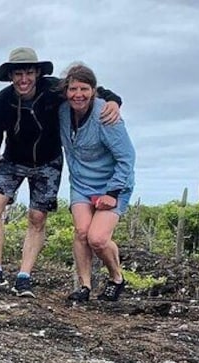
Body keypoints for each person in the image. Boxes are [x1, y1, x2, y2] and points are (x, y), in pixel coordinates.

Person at [0, 47, 122, 298]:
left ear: (37, 73)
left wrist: (114, 100)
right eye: (18, 74)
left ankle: (24, 276)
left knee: (37, 217)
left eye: (29, 73)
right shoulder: (2, 102)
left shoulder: (54, 90)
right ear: (11, 76)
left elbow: (89, 89)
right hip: (12, 159)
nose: (24, 79)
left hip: (48, 161)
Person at [59, 64, 135, 302]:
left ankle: (117, 278)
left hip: (113, 184)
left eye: (84, 88)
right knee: (82, 232)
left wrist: (112, 192)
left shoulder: (106, 115)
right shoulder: (62, 111)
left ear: (94, 90)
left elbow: (127, 157)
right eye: (73, 89)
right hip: (81, 183)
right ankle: (85, 286)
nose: (77, 94)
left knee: (98, 238)